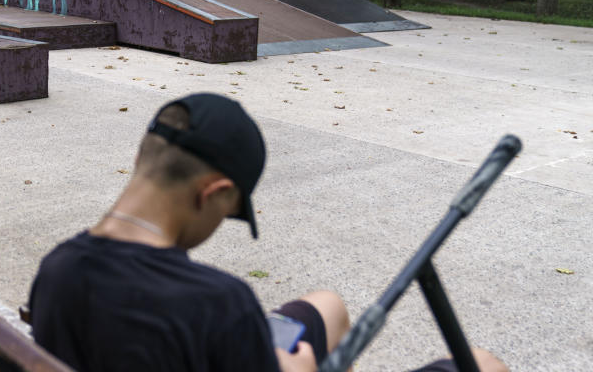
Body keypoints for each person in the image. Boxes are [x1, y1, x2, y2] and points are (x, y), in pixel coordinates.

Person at [28, 93, 508, 372]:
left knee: (327, 307)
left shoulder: (58, 267)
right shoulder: (217, 302)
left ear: (139, 160)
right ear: (212, 193)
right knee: (484, 364)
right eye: (229, 211)